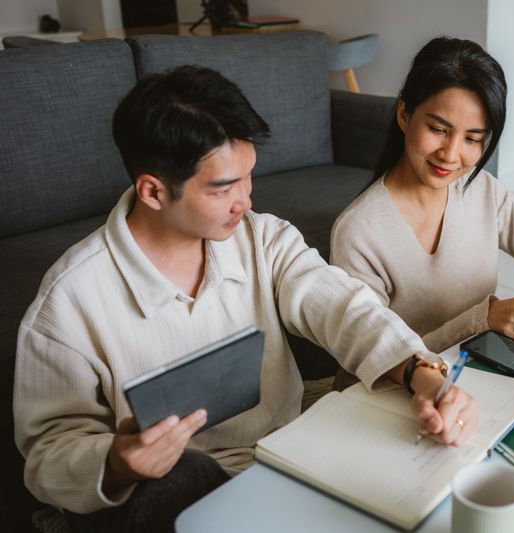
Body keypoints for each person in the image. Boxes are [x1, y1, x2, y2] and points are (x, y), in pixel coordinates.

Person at [13, 65, 477, 533]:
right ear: (153, 191)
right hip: (173, 495)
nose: (246, 201)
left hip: (283, 456)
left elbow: (344, 307)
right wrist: (117, 461)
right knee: (177, 483)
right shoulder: (68, 303)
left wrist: (423, 372)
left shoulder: (263, 238)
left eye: (249, 177)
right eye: (223, 188)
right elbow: (47, 453)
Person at [330, 37, 514, 354]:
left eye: (472, 138)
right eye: (438, 129)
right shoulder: (358, 231)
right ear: (404, 114)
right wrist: (483, 320)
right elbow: (379, 356)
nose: (450, 154)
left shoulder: (483, 191)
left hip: (473, 370)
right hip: (393, 393)